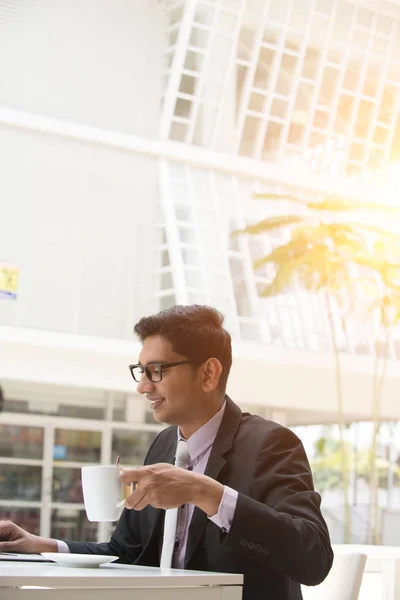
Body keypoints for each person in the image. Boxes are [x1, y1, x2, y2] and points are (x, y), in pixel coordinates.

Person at [0, 305, 333, 600]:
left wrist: (205, 491)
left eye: (156, 371)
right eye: (141, 371)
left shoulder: (271, 444)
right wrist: (42, 545)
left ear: (208, 374)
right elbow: (126, 551)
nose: (143, 386)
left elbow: (314, 557)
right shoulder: (163, 445)